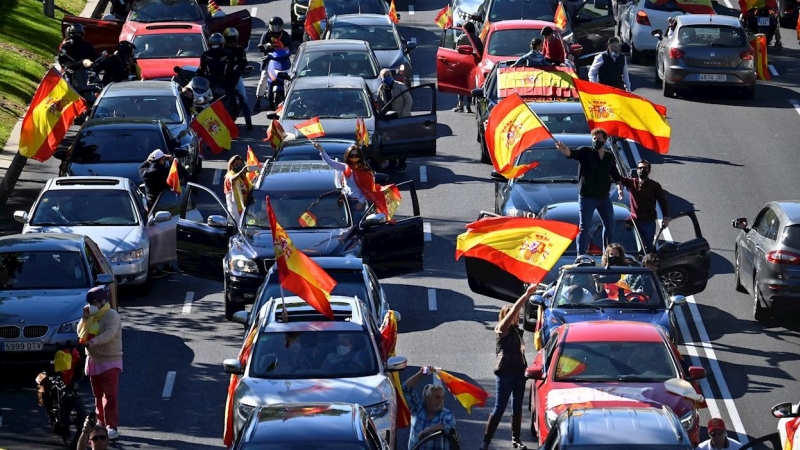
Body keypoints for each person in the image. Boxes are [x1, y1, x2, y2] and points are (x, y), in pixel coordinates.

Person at [479, 285, 536, 450]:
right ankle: (486, 441)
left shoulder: (517, 331)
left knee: (517, 407)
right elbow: (510, 314)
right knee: (499, 407)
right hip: (505, 373)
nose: (516, 317)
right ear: (505, 317)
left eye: (518, 315)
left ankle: (516, 440)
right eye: (514, 315)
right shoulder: (501, 329)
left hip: (519, 372)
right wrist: (525, 295)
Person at [556, 129, 622, 255]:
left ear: (605, 140)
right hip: (587, 198)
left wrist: (619, 188)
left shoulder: (609, 156)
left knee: (609, 226)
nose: (596, 141)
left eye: (599, 139)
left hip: (603, 197)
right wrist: (563, 148)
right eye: (594, 139)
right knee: (584, 228)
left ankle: (607, 253)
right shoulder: (585, 152)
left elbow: (615, 174)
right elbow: (571, 154)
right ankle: (581, 256)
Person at [77, 287, 122, 441]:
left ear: (102, 302)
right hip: (93, 361)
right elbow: (80, 333)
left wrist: (94, 342)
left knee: (109, 396)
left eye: (94, 302)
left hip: (110, 360)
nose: (92, 305)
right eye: (90, 303)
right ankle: (100, 423)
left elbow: (110, 333)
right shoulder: (91, 316)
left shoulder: (112, 315)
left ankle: (111, 427)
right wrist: (84, 318)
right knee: (97, 395)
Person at [616, 159, 670, 252]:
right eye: (640, 168)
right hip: (634, 222)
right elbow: (617, 178)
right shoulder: (631, 182)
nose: (642, 170)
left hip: (648, 222)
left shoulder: (654, 185)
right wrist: (619, 189)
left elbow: (663, 202)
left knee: (648, 248)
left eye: (644, 168)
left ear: (649, 171)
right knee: (633, 247)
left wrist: (665, 218)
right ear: (637, 170)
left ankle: (647, 265)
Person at [403, 367, 458, 450]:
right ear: (427, 399)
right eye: (437, 397)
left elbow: (450, 424)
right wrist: (420, 374)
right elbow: (406, 389)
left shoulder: (445, 414)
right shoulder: (417, 409)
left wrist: (428, 430)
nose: (440, 401)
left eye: (442, 397)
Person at [377, 68, 413, 173]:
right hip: (388, 120)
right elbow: (380, 103)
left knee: (402, 143)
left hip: (401, 119)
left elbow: (408, 100)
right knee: (390, 143)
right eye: (384, 76)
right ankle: (392, 163)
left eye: (388, 76)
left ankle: (402, 163)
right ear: (381, 78)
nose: (387, 78)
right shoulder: (381, 88)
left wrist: (403, 115)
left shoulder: (400, 86)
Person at [254, 16, 293, 112]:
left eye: (278, 27)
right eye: (274, 27)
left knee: (292, 77)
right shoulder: (266, 35)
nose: (276, 29)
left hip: (284, 60)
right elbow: (260, 47)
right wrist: (265, 46)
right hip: (270, 61)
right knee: (263, 78)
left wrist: (288, 49)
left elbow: (291, 46)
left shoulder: (285, 35)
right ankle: (258, 100)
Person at [223, 27, 254, 130]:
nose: (231, 41)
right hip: (223, 77)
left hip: (236, 77)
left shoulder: (240, 49)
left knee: (243, 97)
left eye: (233, 38)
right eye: (229, 38)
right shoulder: (221, 50)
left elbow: (244, 63)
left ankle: (248, 121)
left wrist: (239, 70)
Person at [198, 33, 236, 103]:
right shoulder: (205, 55)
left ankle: (242, 112)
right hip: (209, 84)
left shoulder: (229, 55)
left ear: (222, 43)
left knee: (241, 96)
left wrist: (231, 85)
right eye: (213, 44)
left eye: (217, 44)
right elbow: (201, 71)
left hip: (226, 84)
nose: (215, 47)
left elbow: (233, 71)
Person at [453, 22, 482, 113]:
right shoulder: (477, 39)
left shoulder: (461, 38)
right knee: (470, 85)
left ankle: (460, 104)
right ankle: (468, 106)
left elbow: (456, 51)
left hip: (462, 64)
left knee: (461, 84)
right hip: (473, 64)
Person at [223, 155, 254, 225]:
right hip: (236, 212)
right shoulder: (229, 176)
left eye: (240, 164)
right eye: (236, 164)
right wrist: (240, 172)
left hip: (246, 209)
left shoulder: (245, 178)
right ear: (231, 166)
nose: (239, 166)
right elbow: (232, 180)